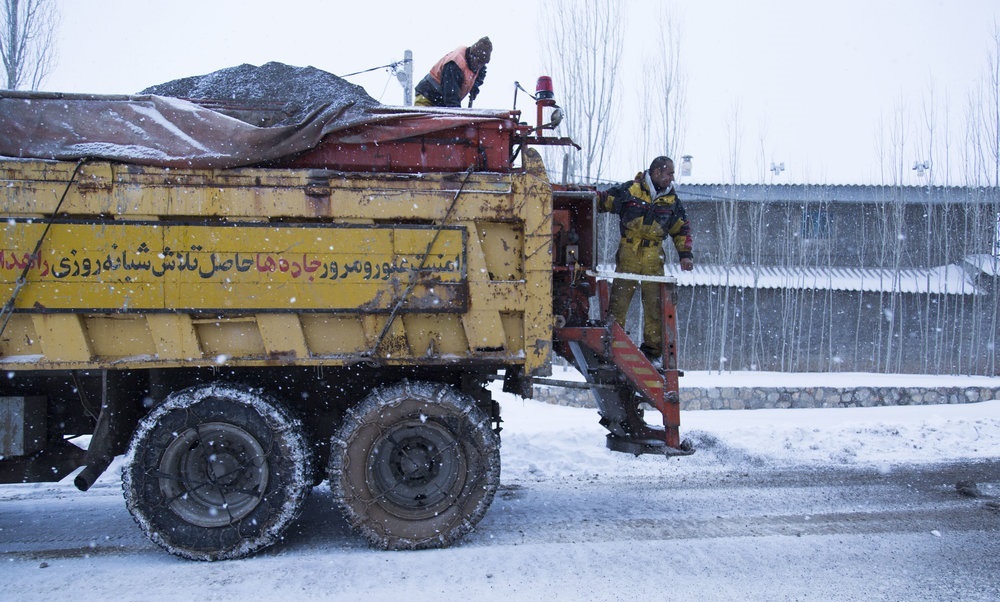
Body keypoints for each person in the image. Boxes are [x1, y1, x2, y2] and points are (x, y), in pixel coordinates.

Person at [599, 156, 694, 366]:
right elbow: (603, 200)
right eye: (669, 173)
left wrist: (685, 254)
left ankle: (652, 352)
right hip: (628, 253)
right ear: (657, 172)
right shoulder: (630, 191)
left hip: (653, 255)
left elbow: (681, 229)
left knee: (654, 304)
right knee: (619, 302)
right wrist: (583, 197)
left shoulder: (671, 201)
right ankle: (613, 344)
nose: (672, 177)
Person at [414, 37, 492, 108]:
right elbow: (451, 98)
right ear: (472, 55)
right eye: (478, 61)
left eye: (483, 63)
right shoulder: (454, 65)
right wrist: (458, 117)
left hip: (441, 104)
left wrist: (474, 86)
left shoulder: (478, 66)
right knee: (427, 123)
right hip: (427, 99)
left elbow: (481, 73)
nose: (479, 66)